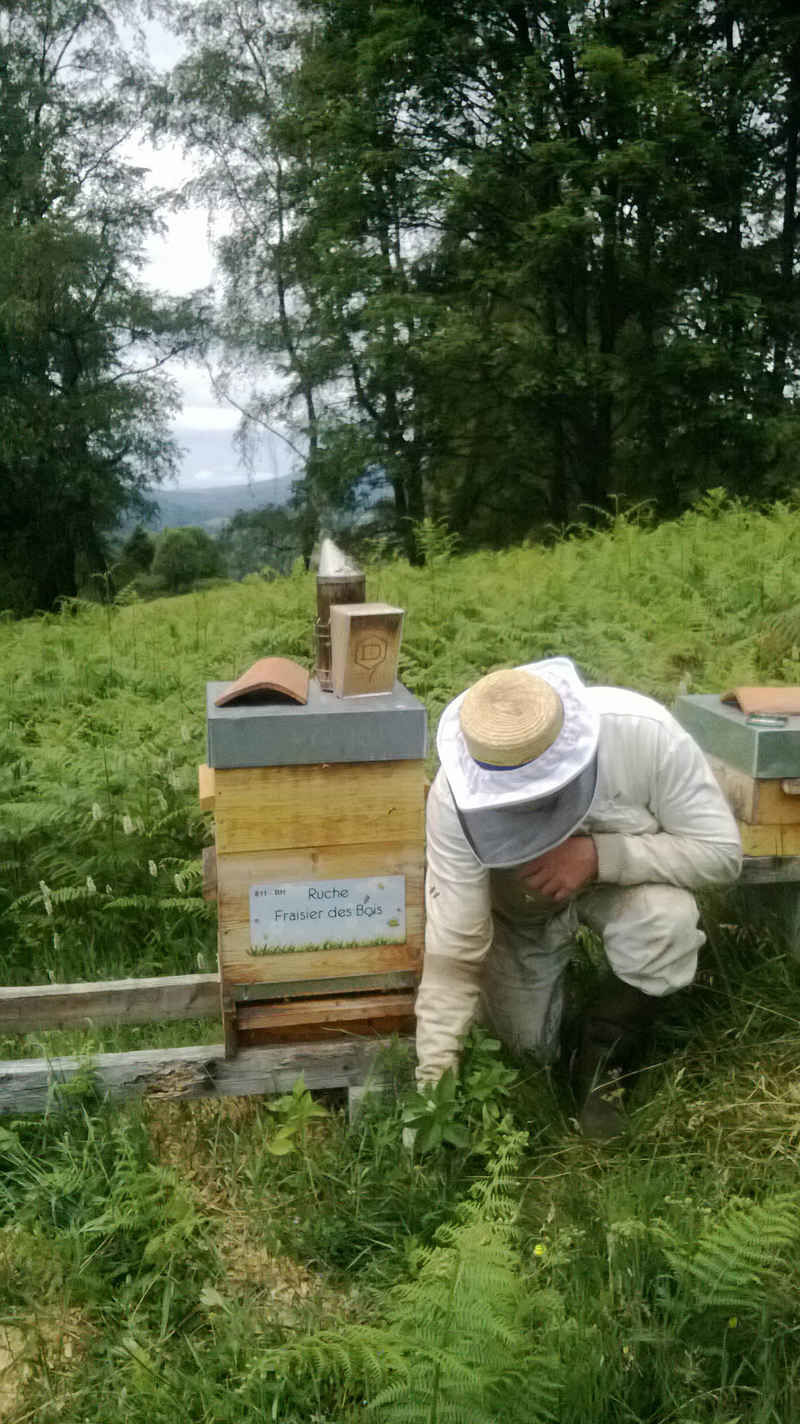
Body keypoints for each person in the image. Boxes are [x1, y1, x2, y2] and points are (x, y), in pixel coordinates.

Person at [415, 657, 742, 1138]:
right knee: (525, 1051)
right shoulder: (453, 800)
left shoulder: (643, 734)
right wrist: (433, 1088)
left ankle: (608, 1058)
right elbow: (453, 949)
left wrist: (600, 856)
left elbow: (721, 854)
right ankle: (556, 1038)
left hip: (620, 890)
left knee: (666, 922)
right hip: (522, 916)